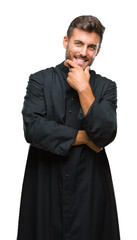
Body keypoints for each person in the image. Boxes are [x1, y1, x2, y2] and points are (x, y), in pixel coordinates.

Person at [17, 15, 120, 240]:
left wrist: (84, 89)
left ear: (98, 51)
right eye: (78, 43)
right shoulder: (40, 81)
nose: (84, 52)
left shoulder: (106, 87)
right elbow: (33, 129)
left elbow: (105, 133)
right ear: (66, 41)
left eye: (91, 47)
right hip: (46, 184)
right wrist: (83, 138)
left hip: (90, 187)